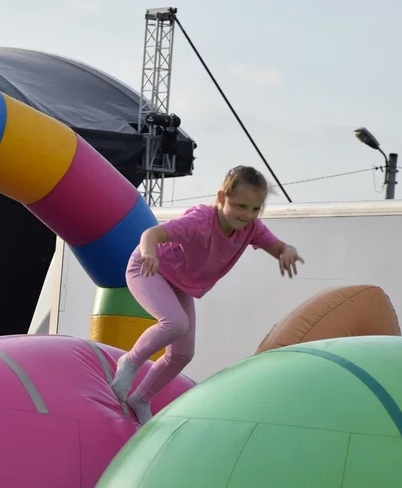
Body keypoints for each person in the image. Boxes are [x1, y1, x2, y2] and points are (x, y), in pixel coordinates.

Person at [110, 166, 304, 425]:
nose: (248, 215)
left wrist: (287, 250)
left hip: (179, 284)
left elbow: (278, 246)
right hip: (147, 269)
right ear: (221, 198)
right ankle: (130, 362)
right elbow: (151, 234)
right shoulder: (200, 221)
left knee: (183, 353)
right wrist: (149, 254)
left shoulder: (251, 228)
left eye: (255, 209)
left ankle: (141, 399)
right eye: (241, 206)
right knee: (175, 323)